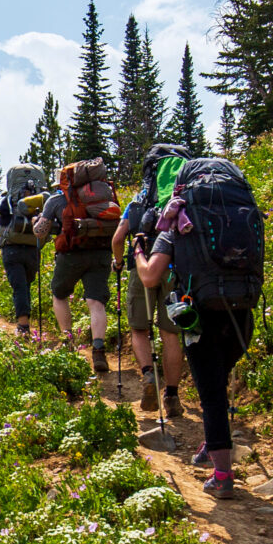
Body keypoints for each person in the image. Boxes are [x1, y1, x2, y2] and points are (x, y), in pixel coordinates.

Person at [136, 158, 262, 500]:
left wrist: (137, 250)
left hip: (200, 312)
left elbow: (150, 276)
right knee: (217, 381)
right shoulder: (244, 211)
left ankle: (222, 475)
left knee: (211, 392)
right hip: (243, 309)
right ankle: (213, 442)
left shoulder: (177, 218)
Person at [110, 149, 189, 417]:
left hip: (141, 268)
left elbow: (118, 238)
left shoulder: (138, 201)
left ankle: (147, 376)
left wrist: (119, 263)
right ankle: (173, 395)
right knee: (170, 334)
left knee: (139, 329)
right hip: (173, 269)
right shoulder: (184, 199)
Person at [33, 174, 114, 376]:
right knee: (96, 302)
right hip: (101, 252)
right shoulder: (103, 195)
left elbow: (40, 232)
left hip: (71, 253)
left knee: (59, 294)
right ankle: (98, 350)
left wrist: (37, 221)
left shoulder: (55, 200)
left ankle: (68, 342)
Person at [0, 168, 45, 340]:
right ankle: (26, 320)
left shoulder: (6, 203)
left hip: (12, 250)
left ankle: (23, 326)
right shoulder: (40, 202)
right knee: (26, 285)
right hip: (33, 250)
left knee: (19, 287)